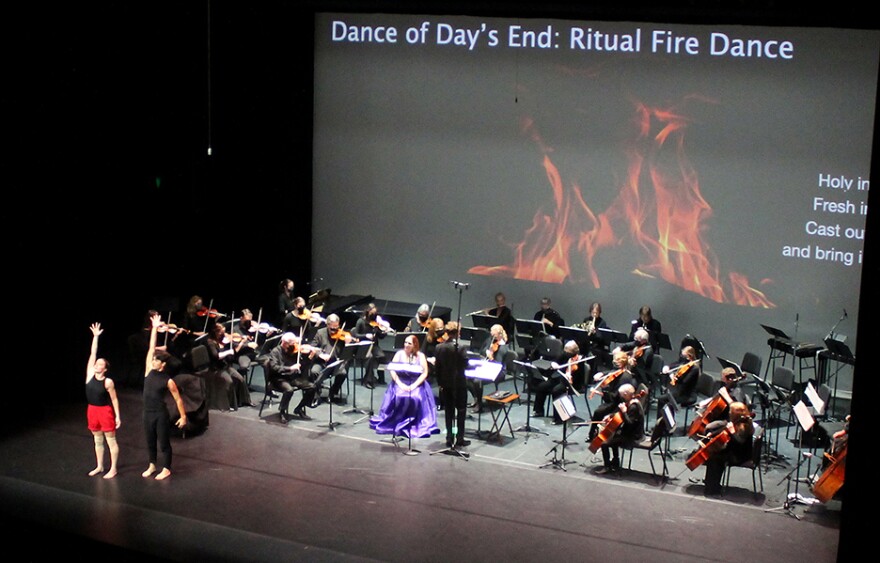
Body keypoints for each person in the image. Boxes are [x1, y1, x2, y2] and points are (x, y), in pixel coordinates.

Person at [143, 313, 187, 480]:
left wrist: (183, 416)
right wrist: (154, 328)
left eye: (156, 361)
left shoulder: (168, 380)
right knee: (150, 441)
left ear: (162, 365)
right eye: (153, 360)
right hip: (147, 413)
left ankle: (166, 468)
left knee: (163, 442)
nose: (153, 361)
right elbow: (151, 348)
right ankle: (152, 464)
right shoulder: (149, 371)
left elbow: (178, 399)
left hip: (160, 414)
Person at [370, 334, 439, 439]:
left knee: (415, 397)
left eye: (409, 343)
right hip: (400, 382)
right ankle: (397, 420)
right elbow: (393, 370)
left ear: (415, 345)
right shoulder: (399, 354)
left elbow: (424, 373)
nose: (406, 345)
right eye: (405, 342)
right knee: (399, 396)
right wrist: (400, 383)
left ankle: (414, 422)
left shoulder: (420, 356)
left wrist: (413, 386)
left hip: (416, 383)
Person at [85, 322, 121, 479]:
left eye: (100, 364)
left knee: (110, 440)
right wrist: (95, 337)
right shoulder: (89, 375)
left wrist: (118, 416)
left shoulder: (108, 382)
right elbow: (93, 353)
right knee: (97, 440)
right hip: (92, 410)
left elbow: (114, 399)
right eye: (96, 363)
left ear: (105, 369)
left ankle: (113, 468)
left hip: (104, 411)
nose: (96, 364)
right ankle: (99, 466)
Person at [701, 401, 756, 495]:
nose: (729, 412)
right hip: (738, 452)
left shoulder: (743, 427)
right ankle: (712, 483)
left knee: (715, 457)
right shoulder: (741, 422)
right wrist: (713, 433)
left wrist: (732, 432)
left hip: (740, 457)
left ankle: (712, 488)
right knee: (717, 453)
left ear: (735, 414)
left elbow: (739, 443)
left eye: (731, 411)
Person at [593, 383, 645, 474]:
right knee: (613, 436)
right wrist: (610, 416)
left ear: (626, 394)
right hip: (629, 431)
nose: (621, 397)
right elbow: (621, 414)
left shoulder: (634, 407)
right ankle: (615, 462)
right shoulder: (632, 401)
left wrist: (624, 412)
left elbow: (630, 423)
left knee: (604, 443)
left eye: (621, 395)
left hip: (634, 436)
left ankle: (607, 467)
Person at [433, 322, 470, 448]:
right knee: (461, 411)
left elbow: (437, 368)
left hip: (445, 384)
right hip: (459, 384)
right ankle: (460, 438)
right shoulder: (461, 347)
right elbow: (465, 364)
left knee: (449, 411)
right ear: (457, 333)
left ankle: (449, 438)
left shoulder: (439, 347)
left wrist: (440, 383)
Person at [265, 332, 317, 421]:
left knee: (312, 387)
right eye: (292, 343)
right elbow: (274, 367)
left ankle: (299, 408)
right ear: (285, 343)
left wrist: (310, 357)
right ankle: (282, 411)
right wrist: (290, 368)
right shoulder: (275, 352)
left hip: (292, 377)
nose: (295, 345)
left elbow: (303, 365)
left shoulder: (294, 350)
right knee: (289, 390)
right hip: (279, 378)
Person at [205, 323, 254, 410]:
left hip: (225, 366)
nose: (223, 335)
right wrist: (228, 351)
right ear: (215, 332)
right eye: (221, 333)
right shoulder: (210, 342)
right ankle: (229, 404)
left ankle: (245, 400)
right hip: (216, 368)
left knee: (240, 379)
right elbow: (216, 356)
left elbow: (233, 351)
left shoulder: (223, 340)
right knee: (229, 381)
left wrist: (241, 341)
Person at [310, 314, 352, 404]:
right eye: (332, 328)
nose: (334, 330)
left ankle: (333, 392)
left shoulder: (342, 334)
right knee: (314, 372)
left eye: (336, 328)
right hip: (321, 362)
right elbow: (313, 346)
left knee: (343, 373)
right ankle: (317, 393)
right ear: (327, 325)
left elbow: (347, 352)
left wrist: (348, 343)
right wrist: (320, 354)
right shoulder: (320, 333)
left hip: (336, 363)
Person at [352, 303, 390, 389]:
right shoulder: (361, 321)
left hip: (374, 345)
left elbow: (380, 336)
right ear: (367, 312)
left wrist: (385, 332)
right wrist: (366, 335)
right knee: (370, 357)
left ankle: (381, 377)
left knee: (382, 356)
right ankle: (368, 380)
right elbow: (356, 334)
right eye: (372, 313)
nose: (374, 315)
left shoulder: (376, 323)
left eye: (375, 313)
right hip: (363, 346)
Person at [657, 345, 701, 415]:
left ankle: (667, 421)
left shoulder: (694, 369)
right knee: (662, 399)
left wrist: (673, 376)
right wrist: (667, 367)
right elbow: (674, 365)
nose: (682, 357)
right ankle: (661, 420)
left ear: (689, 356)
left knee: (665, 401)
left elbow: (684, 382)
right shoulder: (685, 363)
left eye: (684, 356)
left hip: (687, 394)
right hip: (679, 391)